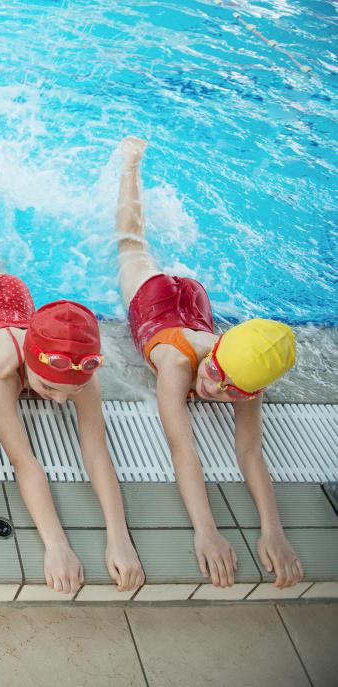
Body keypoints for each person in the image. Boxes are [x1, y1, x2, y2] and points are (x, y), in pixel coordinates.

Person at [0, 139, 145, 596]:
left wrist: (121, 539)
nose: (58, 399)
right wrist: (55, 545)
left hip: (19, 304)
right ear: (29, 367)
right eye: (47, 388)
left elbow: (97, 455)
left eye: (65, 392)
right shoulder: (2, 372)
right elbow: (25, 462)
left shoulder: (79, 375)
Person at [114, 136, 301, 589]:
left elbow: (250, 451)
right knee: (129, 244)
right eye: (215, 373)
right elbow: (183, 448)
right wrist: (207, 530)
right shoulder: (179, 365)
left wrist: (273, 531)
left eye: (231, 388)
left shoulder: (243, 372)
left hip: (195, 304)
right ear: (213, 353)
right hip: (156, 297)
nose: (215, 390)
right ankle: (130, 165)